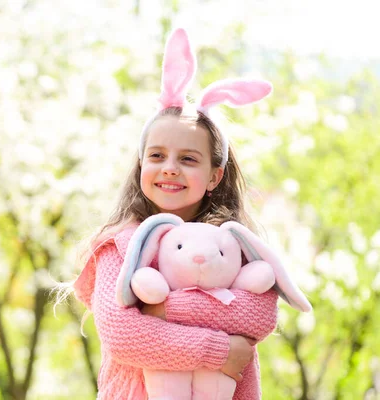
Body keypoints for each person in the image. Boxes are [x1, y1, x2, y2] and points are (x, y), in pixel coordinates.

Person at [73, 28, 278, 399]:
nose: (169, 168)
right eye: (157, 156)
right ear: (140, 165)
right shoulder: (119, 247)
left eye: (187, 159)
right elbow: (124, 335)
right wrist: (220, 350)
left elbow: (258, 318)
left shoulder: (235, 247)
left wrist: (160, 309)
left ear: (214, 176)